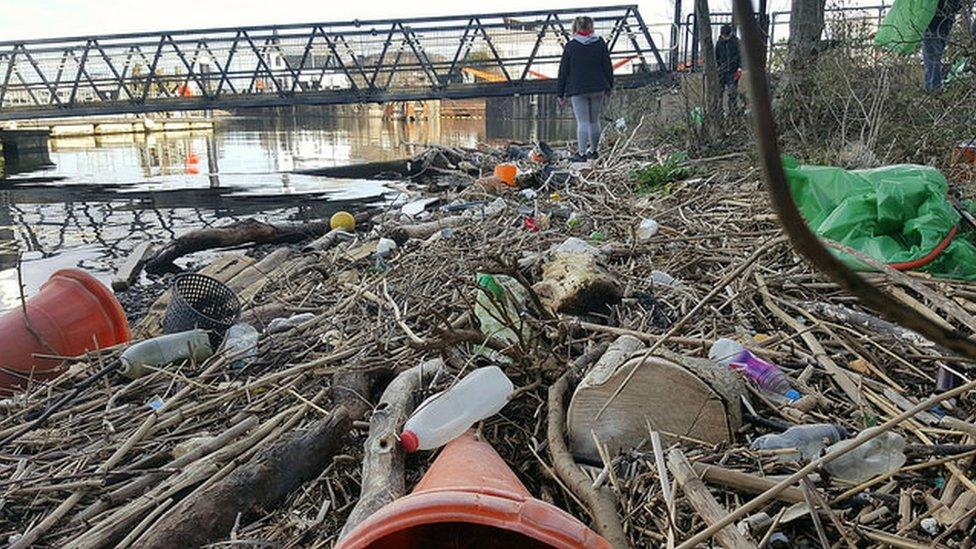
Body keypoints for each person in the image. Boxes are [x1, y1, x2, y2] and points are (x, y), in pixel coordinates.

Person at [557, 16, 613, 161]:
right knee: (595, 121)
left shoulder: (571, 46)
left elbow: (563, 71)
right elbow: (607, 66)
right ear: (591, 27)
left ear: (575, 28)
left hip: (578, 89)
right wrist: (609, 86)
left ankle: (582, 154)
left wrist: (560, 94)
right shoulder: (600, 43)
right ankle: (593, 151)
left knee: (582, 122)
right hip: (598, 87)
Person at [922, 0, 963, 91]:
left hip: (936, 18)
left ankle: (932, 90)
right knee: (934, 53)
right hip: (945, 18)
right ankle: (933, 88)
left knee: (932, 54)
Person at [715, 24, 742, 115]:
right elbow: (716, 57)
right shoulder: (719, 43)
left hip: (733, 70)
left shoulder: (736, 42)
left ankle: (733, 112)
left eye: (727, 36)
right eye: (724, 36)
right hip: (721, 71)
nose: (725, 38)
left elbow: (741, 56)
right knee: (719, 92)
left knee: (732, 93)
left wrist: (739, 68)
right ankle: (719, 112)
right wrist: (718, 68)